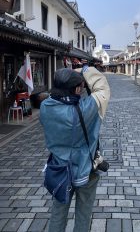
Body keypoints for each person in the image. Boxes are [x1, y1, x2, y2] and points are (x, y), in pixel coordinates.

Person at [40, 64, 110, 232]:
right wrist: (84, 70)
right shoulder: (85, 109)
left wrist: (67, 76)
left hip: (59, 170)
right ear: (77, 90)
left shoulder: (46, 107)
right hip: (86, 171)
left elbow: (55, 96)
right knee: (83, 214)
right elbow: (102, 87)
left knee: (58, 213)